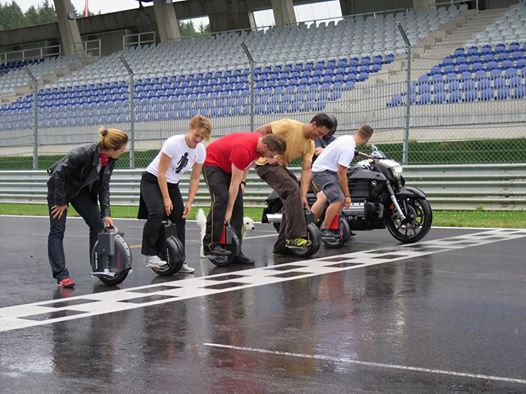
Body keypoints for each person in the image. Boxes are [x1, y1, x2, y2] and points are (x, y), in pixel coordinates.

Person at [47, 128, 129, 288]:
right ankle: (62, 275)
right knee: (57, 230)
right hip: (59, 188)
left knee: (98, 225)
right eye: (123, 149)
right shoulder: (83, 152)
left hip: (79, 190)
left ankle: (98, 266)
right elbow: (59, 174)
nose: (124, 152)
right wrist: (61, 201)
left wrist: (106, 213)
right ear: (113, 148)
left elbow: (104, 186)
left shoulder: (111, 159)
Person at [138, 115, 212, 273]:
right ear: (190, 129)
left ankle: (179, 259)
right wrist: (166, 199)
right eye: (196, 135)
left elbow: (195, 177)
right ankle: (149, 254)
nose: (198, 139)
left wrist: (189, 202)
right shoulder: (173, 143)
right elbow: (161, 173)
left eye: (202, 137)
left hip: (172, 184)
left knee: (180, 219)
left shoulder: (200, 151)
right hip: (152, 180)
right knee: (157, 213)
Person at [255, 113, 336, 255]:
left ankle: (281, 247)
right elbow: (261, 130)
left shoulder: (310, 145)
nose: (320, 137)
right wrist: (266, 153)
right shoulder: (289, 125)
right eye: (320, 133)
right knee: (292, 189)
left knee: (296, 196)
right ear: (313, 124)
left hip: (279, 167)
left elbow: (306, 170)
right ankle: (295, 236)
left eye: (323, 135)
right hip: (265, 165)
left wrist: (303, 196)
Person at [203, 132, 287, 263]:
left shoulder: (259, 144)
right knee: (222, 199)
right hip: (213, 162)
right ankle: (210, 245)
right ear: (265, 146)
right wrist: (228, 212)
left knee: (238, 206)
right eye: (271, 155)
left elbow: (247, 164)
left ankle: (236, 252)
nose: (272, 158)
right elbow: (233, 183)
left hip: (229, 165)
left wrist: (243, 181)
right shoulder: (243, 149)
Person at [310, 125, 374, 237]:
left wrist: (367, 157)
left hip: (327, 170)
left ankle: (317, 224)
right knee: (338, 199)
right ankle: (324, 229)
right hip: (323, 172)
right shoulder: (348, 148)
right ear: (367, 139)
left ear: (358, 131)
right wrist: (347, 196)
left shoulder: (346, 139)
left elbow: (347, 153)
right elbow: (341, 173)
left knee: (333, 198)